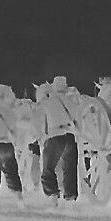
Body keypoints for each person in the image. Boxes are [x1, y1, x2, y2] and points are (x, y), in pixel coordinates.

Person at [33, 75, 80, 206]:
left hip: (54, 136)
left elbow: (39, 122)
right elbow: (77, 115)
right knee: (70, 169)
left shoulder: (45, 102)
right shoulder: (68, 100)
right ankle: (70, 200)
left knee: (48, 169)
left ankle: (53, 198)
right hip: (70, 136)